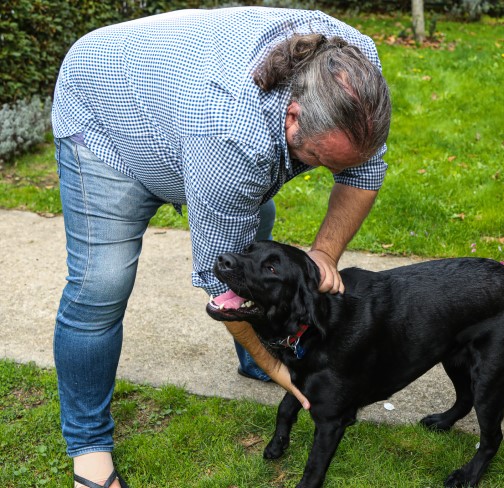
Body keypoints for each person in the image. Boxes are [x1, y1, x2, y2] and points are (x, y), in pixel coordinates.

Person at [51, 6, 391, 487]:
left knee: (250, 235)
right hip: (108, 113)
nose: (328, 171)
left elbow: (363, 171)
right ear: (292, 117)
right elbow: (223, 285)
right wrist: (280, 368)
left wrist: (324, 255)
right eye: (318, 160)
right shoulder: (230, 132)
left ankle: (256, 351)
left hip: (184, 104)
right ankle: (88, 446)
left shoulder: (358, 71)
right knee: (100, 286)